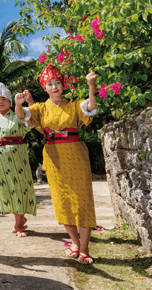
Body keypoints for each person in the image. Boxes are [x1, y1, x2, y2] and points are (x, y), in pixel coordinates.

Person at [15, 65, 99, 264]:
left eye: (58, 83)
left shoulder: (74, 106)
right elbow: (23, 117)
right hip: (53, 158)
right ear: (45, 87)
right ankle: (75, 243)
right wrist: (18, 104)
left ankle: (85, 247)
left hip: (76, 155)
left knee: (82, 200)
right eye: (50, 84)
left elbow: (91, 108)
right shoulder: (40, 108)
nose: (54, 87)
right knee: (63, 201)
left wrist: (91, 86)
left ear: (63, 86)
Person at [0, 82, 37, 238]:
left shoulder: (18, 114)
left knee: (20, 188)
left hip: (17, 157)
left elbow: (30, 120)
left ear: (9, 100)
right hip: (0, 157)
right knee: (6, 189)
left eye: (3, 99)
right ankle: (19, 220)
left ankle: (19, 224)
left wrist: (23, 103)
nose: (0, 102)